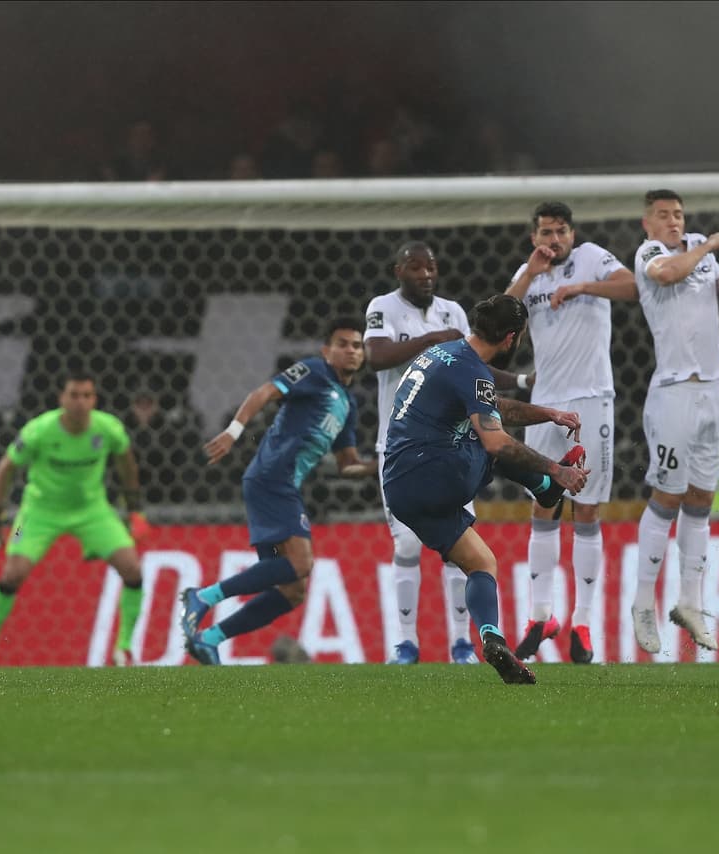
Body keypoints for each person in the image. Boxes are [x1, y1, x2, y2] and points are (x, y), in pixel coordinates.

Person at [382, 294, 589, 685]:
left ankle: (492, 637)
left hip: (398, 487)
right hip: (437, 472)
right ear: (511, 338)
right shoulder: (472, 371)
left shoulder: (444, 353)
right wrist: (556, 473)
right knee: (490, 440)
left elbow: (488, 403)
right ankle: (546, 486)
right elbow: (494, 439)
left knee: (482, 564)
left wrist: (549, 413)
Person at [178, 319, 376, 665]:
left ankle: (209, 639)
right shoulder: (314, 372)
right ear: (326, 351)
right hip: (273, 477)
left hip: (280, 483)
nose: (351, 351)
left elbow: (347, 465)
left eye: (357, 346)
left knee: (293, 588)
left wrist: (381, 465)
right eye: (342, 344)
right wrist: (234, 431)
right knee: (302, 562)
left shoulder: (348, 404)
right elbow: (266, 392)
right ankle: (203, 597)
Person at [504, 201, 635, 664]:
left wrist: (581, 286)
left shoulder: (594, 258)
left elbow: (632, 285)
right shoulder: (531, 272)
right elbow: (500, 319)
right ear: (534, 236)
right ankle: (541, 616)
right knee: (543, 506)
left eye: (561, 231)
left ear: (573, 234)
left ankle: (582, 621)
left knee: (587, 510)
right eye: (546, 232)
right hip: (546, 406)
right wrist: (530, 273)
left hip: (592, 399)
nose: (554, 239)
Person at [0, 371, 151, 667]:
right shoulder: (40, 431)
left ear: (94, 399)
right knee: (12, 574)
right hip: (35, 515)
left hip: (93, 511)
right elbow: (5, 469)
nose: (80, 402)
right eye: (74, 395)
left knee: (133, 569)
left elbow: (127, 462)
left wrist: (134, 510)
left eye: (87, 396)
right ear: (62, 399)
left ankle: (123, 649)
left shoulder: (108, 429)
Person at [627, 189, 719, 656]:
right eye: (663, 215)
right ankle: (641, 604)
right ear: (647, 224)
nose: (673, 221)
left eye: (678, 214)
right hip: (673, 390)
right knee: (668, 494)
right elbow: (672, 273)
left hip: (712, 389)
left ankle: (690, 603)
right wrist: (709, 247)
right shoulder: (650, 253)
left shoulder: (697, 250)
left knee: (701, 498)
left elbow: (698, 297)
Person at [364, 242, 491, 665]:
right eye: (415, 267)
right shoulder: (382, 307)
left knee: (458, 545)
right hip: (397, 445)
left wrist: (525, 381)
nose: (424, 274)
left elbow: (473, 370)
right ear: (398, 270)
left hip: (450, 448)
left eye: (430, 266)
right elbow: (376, 357)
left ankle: (461, 644)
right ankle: (405, 643)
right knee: (407, 545)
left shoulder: (454, 311)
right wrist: (434, 340)